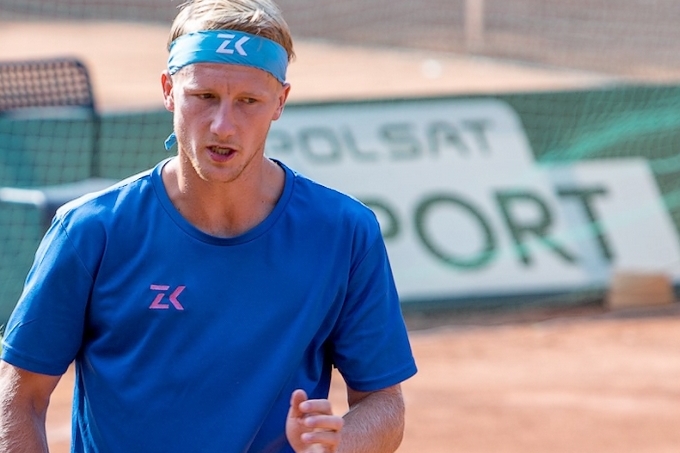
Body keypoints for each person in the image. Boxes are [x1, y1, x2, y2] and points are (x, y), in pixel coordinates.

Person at [0, 0, 417, 451]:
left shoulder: (345, 232)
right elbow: (19, 398)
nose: (223, 125)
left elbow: (382, 402)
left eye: (248, 102)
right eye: (204, 97)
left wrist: (336, 446)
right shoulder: (89, 231)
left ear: (280, 101)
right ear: (168, 90)